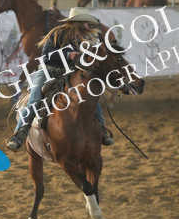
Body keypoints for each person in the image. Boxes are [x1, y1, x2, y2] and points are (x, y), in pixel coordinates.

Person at [6, 8, 114, 151]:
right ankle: (19, 134)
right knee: (35, 97)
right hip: (48, 71)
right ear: (78, 23)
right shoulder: (57, 34)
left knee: (91, 95)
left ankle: (101, 128)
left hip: (71, 73)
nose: (89, 25)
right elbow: (45, 57)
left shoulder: (86, 39)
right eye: (86, 22)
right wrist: (68, 55)